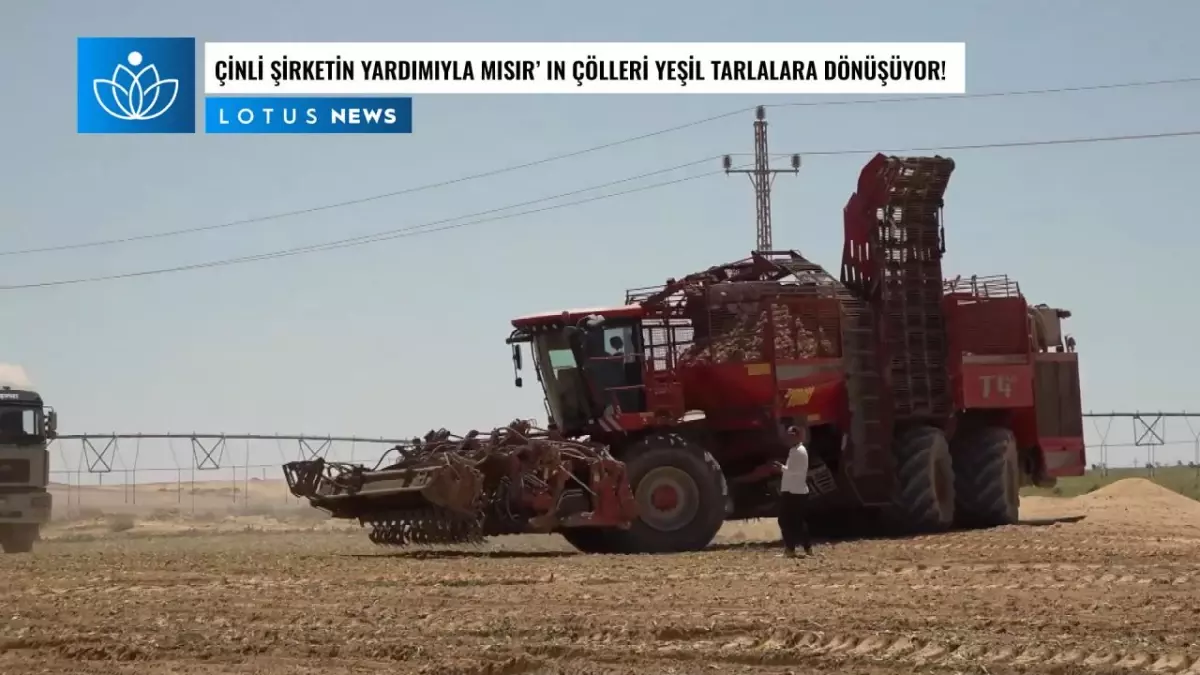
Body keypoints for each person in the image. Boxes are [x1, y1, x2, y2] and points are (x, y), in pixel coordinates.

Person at [777, 425, 814, 557]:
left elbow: (797, 471)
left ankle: (792, 549)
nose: (788, 438)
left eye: (791, 435)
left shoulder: (799, 451)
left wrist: (782, 468)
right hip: (792, 489)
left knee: (787, 520)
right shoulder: (795, 450)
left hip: (795, 491)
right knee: (794, 520)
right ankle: (803, 548)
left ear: (797, 436)